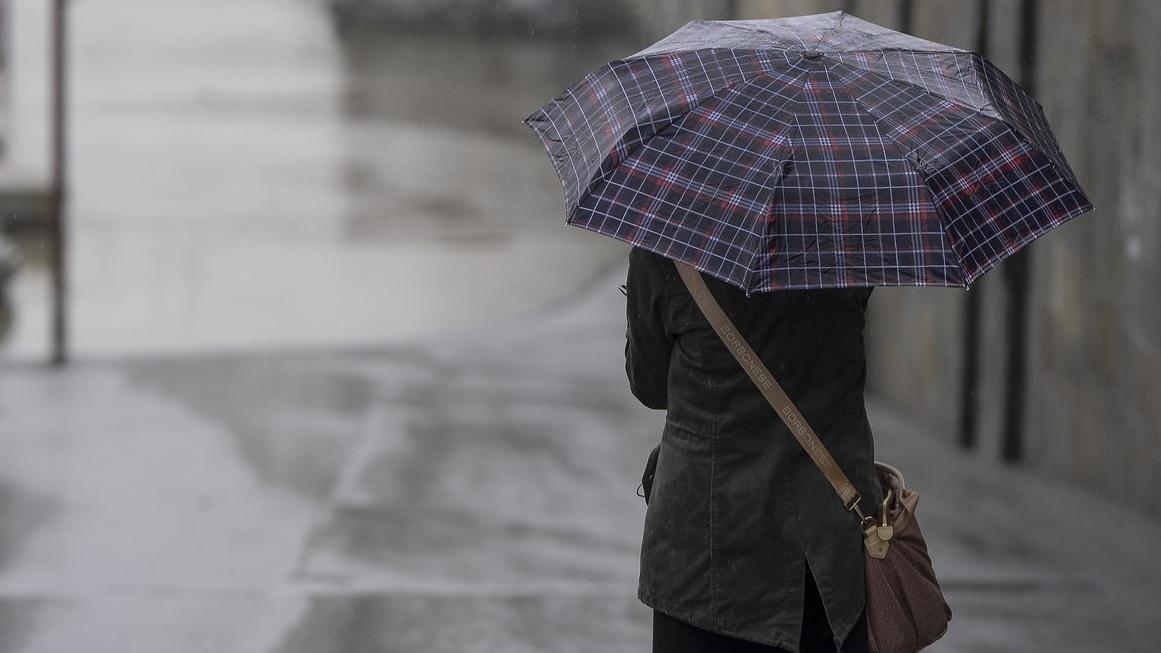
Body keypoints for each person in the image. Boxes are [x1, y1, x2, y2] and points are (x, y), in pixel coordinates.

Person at [624, 246, 883, 653]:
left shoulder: (668, 246)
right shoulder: (850, 241)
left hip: (702, 550)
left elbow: (650, 385)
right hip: (826, 544)